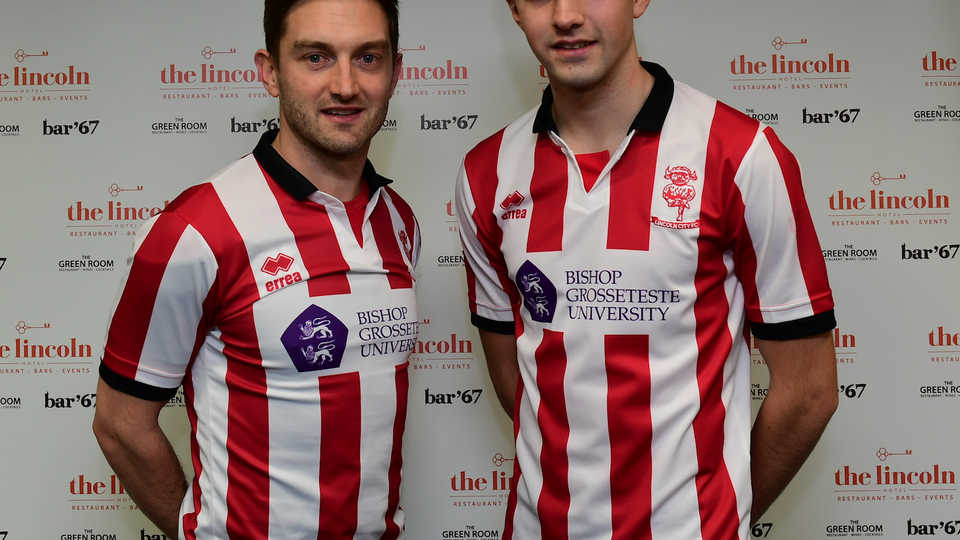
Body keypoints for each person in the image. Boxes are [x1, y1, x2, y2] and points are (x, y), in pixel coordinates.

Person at [454, 0, 839, 538]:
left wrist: (717, 517)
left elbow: (810, 390)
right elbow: (515, 381)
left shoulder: (740, 155)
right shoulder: (485, 174)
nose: (565, 15)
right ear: (515, 9)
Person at [92, 1, 418, 538]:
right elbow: (120, 425)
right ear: (269, 72)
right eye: (315, 57)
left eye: (367, 58)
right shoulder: (195, 230)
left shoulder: (398, 221)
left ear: (395, 71)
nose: (345, 85)